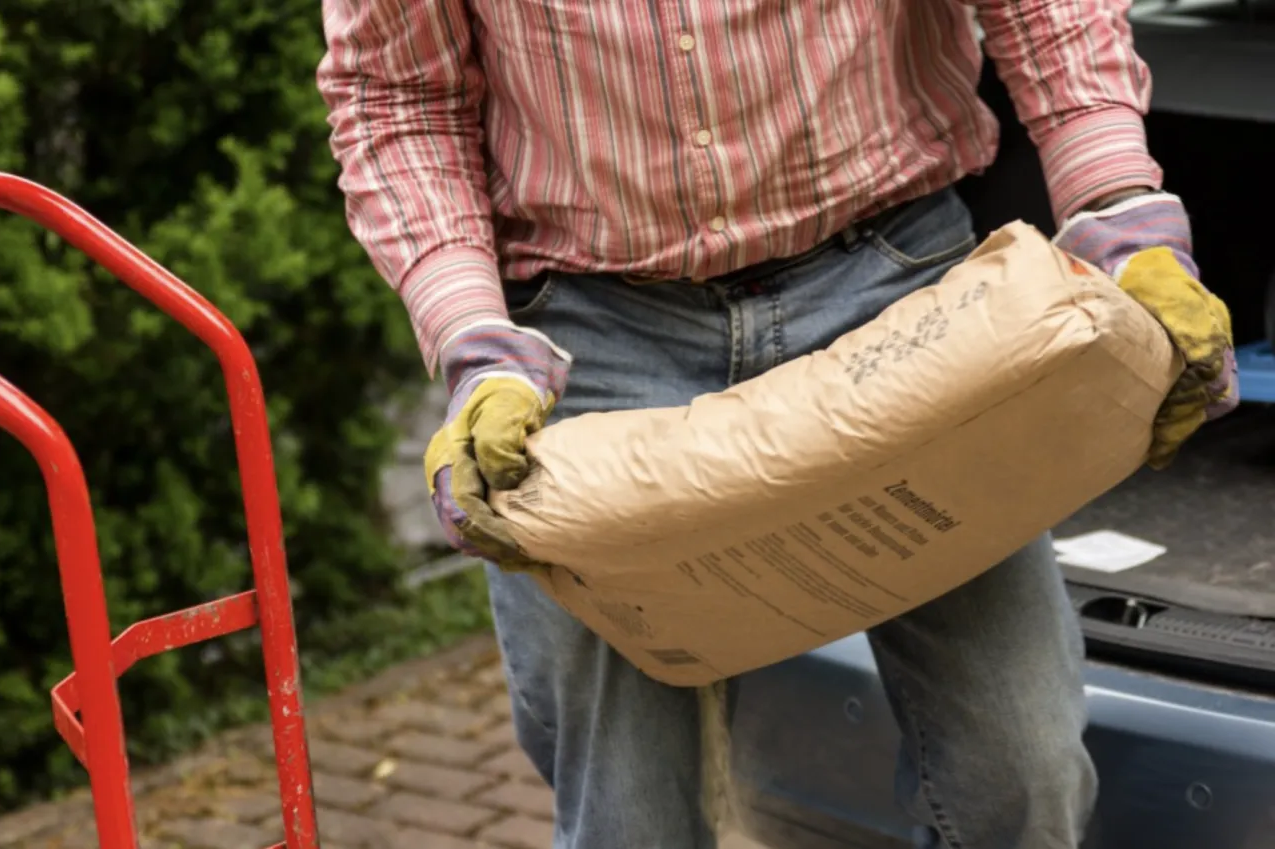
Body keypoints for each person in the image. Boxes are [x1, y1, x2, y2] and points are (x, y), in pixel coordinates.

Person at [317, 0, 1238, 845]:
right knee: (628, 812)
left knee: (1020, 770)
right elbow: (397, 98)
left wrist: (1118, 213)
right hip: (598, 328)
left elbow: (1046, 11)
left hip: (892, 286)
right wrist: (475, 338)